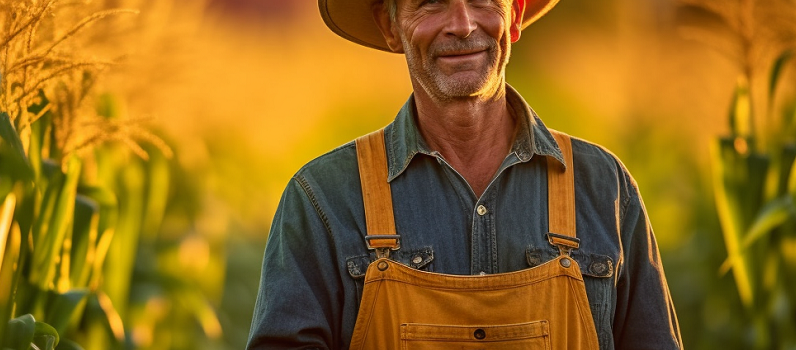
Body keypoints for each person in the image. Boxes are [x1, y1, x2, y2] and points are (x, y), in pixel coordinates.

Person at [247, 0, 684, 348]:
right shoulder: (324, 199)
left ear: (514, 15)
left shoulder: (605, 188)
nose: (461, 23)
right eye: (431, 2)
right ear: (390, 24)